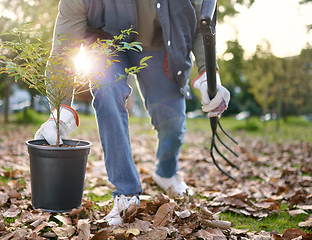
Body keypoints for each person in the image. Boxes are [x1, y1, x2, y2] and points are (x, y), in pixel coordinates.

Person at [35, 0, 230, 225]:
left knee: (172, 124)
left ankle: (166, 172)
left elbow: (199, 22)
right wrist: (61, 108)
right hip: (107, 43)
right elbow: (63, 48)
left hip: (160, 44)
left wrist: (207, 73)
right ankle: (126, 193)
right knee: (107, 90)